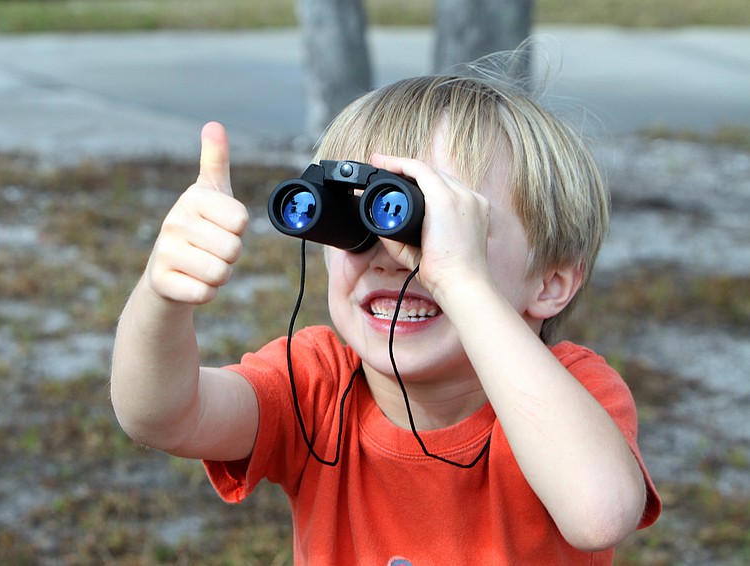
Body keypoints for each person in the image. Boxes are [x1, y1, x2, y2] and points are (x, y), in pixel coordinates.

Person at [111, 74, 661, 564]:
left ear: (551, 282)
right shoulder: (315, 386)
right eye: (356, 219)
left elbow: (599, 514)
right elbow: (163, 417)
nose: (389, 254)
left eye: (432, 221)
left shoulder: (573, 391)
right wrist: (162, 296)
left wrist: (460, 280)